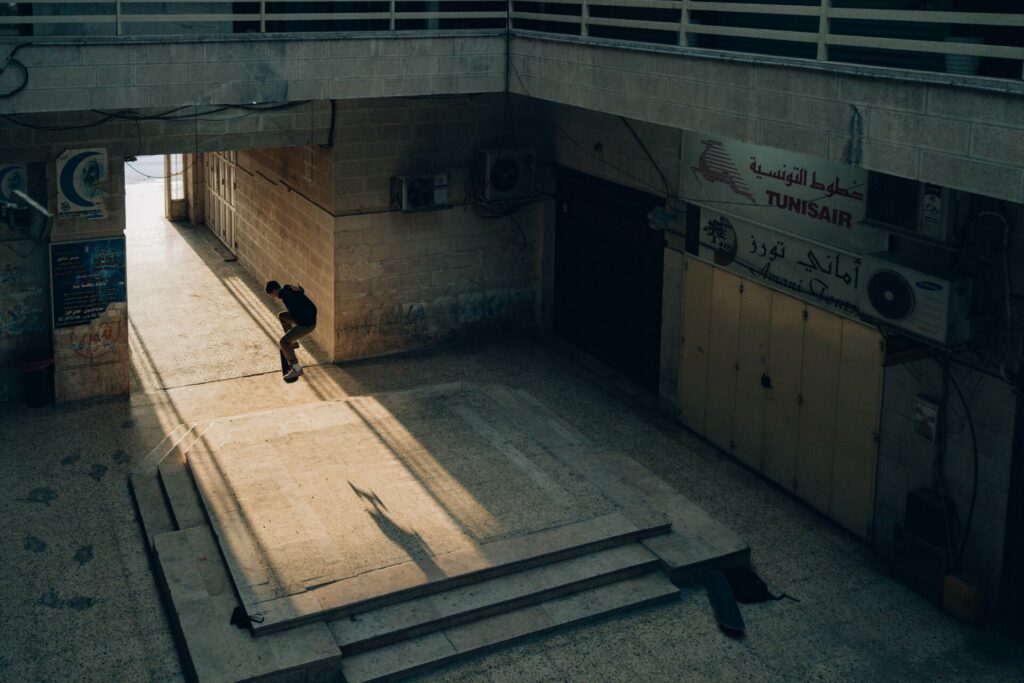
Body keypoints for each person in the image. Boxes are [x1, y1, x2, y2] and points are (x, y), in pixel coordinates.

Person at [265, 280, 317, 381]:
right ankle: (293, 342)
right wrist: (300, 290)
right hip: (306, 317)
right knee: (282, 316)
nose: (273, 297)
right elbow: (300, 292)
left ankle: (296, 368)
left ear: (274, 290)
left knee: (283, 342)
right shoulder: (287, 289)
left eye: (272, 294)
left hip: (306, 324)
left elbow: (297, 305)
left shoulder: (287, 297)